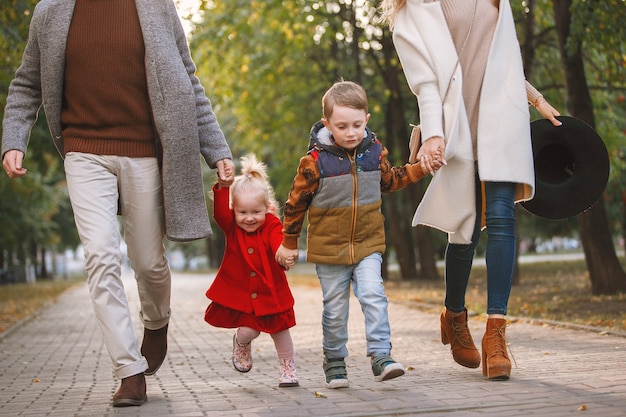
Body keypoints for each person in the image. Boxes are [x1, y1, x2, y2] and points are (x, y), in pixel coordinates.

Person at [1, 0, 235, 407]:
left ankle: (156, 322)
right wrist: (13, 139)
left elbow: (188, 81)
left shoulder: (156, 6)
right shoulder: (50, 11)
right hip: (83, 151)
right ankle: (129, 371)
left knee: (148, 261)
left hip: (143, 150)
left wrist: (217, 149)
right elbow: (27, 84)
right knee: (100, 257)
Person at [380, 0, 562, 380]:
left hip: (499, 121)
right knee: (464, 231)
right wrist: (432, 133)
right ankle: (454, 313)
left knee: (501, 216)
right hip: (453, 127)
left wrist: (538, 100)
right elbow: (426, 82)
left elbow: (500, 62)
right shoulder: (414, 9)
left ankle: (496, 333)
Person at [275, 80, 437, 389]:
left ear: (367, 120)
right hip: (329, 250)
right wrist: (289, 242)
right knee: (335, 309)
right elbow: (296, 204)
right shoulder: (314, 163)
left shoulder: (374, 154)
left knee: (374, 296)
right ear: (327, 124)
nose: (351, 132)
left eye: (357, 125)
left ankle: (381, 356)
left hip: (368, 243)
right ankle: (334, 360)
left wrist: (420, 169)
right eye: (342, 126)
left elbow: (391, 181)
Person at [204, 154, 299, 388]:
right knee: (249, 330)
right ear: (234, 211)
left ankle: (287, 367)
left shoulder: (271, 224)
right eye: (242, 213)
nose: (249, 219)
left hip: (270, 289)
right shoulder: (231, 228)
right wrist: (224, 186)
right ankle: (241, 343)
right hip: (245, 294)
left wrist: (283, 253)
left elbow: (278, 241)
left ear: (267, 208)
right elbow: (220, 213)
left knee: (280, 329)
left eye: (255, 212)